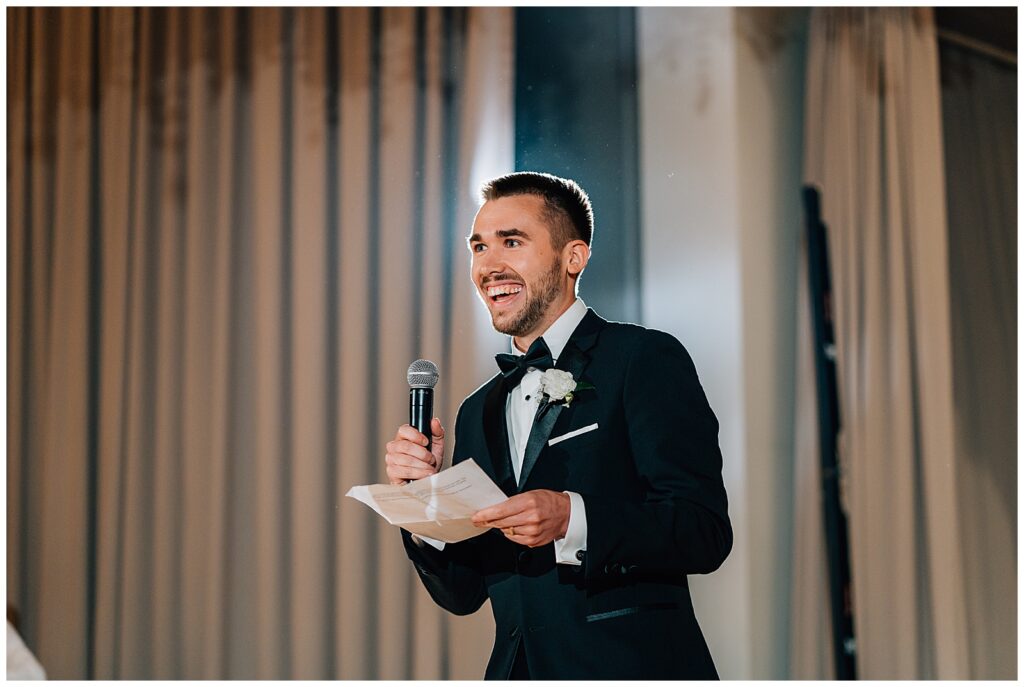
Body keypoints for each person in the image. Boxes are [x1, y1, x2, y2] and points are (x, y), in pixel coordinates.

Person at [384, 172, 732, 680]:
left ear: (574, 258)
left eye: (512, 242)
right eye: (479, 247)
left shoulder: (641, 358)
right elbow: (463, 594)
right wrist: (425, 503)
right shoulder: (477, 410)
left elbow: (704, 532)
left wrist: (575, 518)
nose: (488, 265)